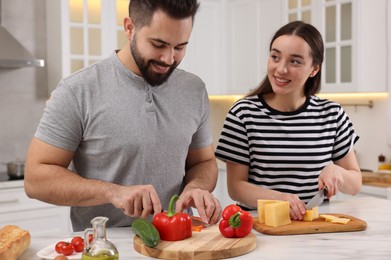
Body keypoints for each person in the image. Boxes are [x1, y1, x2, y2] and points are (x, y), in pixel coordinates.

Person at [24, 0, 221, 231]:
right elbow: (35, 179)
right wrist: (113, 192)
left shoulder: (194, 90)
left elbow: (204, 161)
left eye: (180, 47)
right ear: (129, 28)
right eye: (158, 44)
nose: (169, 59)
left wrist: (196, 186)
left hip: (180, 242)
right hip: (106, 247)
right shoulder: (78, 90)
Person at [215, 21, 362, 221]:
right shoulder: (243, 114)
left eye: (295, 61)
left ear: (314, 69)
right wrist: (280, 199)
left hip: (314, 228)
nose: (281, 69)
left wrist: (338, 172)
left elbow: (355, 184)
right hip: (259, 226)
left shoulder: (332, 115)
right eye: (275, 57)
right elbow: (236, 187)